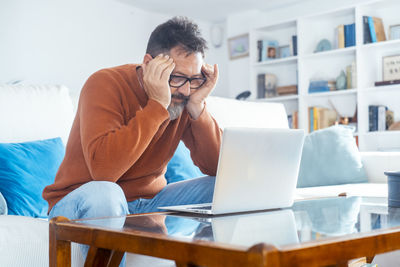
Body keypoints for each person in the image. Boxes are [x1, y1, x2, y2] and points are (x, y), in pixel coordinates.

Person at [43, 16, 222, 221]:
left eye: (194, 79)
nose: (186, 89)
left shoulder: (185, 97)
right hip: (83, 199)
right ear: (148, 63)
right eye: (177, 77)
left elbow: (217, 168)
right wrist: (156, 105)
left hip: (150, 202)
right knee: (107, 194)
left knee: (224, 188)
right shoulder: (104, 83)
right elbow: (104, 172)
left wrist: (198, 107)